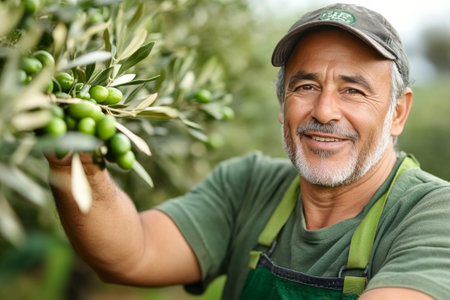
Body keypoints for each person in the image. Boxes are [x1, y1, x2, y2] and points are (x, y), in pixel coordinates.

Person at [47, 3, 450, 300]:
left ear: (397, 113)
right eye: (305, 86)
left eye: (353, 91)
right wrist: (77, 168)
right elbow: (131, 253)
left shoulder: (433, 214)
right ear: (281, 104)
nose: (325, 111)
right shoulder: (248, 186)